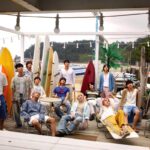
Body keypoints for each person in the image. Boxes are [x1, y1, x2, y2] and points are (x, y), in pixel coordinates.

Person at [11, 63, 33, 128]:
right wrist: (12, 97)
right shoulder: (14, 78)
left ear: (22, 68)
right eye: (18, 67)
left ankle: (27, 123)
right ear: (17, 69)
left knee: (25, 109)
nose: (20, 68)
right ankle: (18, 123)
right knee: (16, 110)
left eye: (21, 67)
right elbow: (12, 88)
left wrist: (29, 96)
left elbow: (30, 87)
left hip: (25, 95)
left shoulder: (27, 77)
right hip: (16, 96)